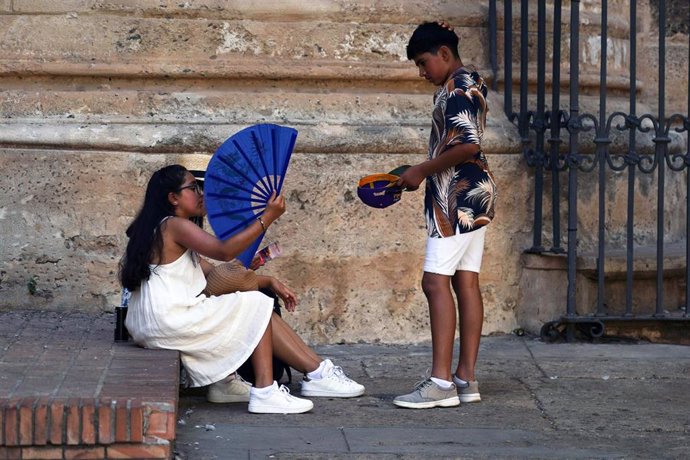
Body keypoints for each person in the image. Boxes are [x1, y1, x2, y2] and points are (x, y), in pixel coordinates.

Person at [119, 164, 364, 414]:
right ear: (173, 198)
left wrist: (268, 281)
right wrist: (268, 217)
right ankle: (266, 392)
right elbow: (224, 251)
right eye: (194, 188)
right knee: (255, 303)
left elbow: (215, 276)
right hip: (168, 321)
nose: (202, 193)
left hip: (151, 324)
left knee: (253, 302)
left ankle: (318, 372)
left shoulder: (157, 229)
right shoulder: (174, 225)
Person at [392, 22, 497, 409]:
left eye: (423, 63)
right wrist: (420, 168)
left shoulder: (455, 89)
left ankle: (439, 383)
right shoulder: (472, 83)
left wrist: (421, 170)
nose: (422, 72)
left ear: (444, 54)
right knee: (465, 283)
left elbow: (468, 145)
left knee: (434, 283)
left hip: (456, 198)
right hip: (474, 193)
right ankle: (465, 378)